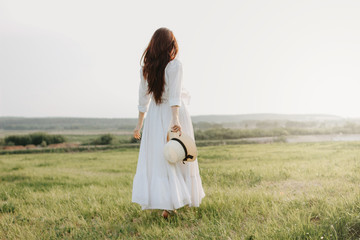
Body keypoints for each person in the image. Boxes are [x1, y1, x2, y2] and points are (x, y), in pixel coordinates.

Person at [131, 27, 205, 219]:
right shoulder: (174, 66)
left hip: (154, 116)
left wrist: (139, 125)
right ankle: (174, 203)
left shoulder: (146, 68)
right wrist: (175, 119)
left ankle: (171, 203)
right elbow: (174, 96)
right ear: (170, 45)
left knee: (162, 159)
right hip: (174, 113)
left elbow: (142, 100)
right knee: (178, 155)